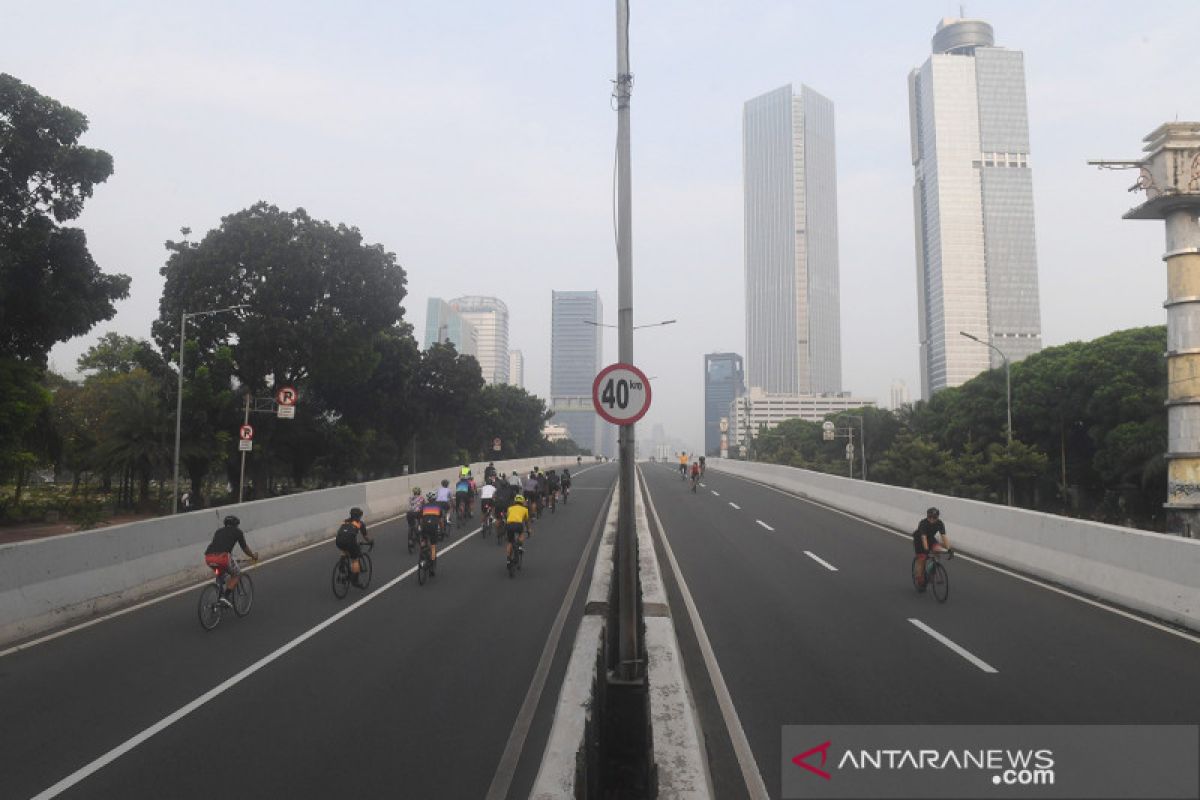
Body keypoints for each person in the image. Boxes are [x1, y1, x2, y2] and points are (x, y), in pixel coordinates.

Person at [204, 515, 259, 606]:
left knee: (220, 572)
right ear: (236, 524)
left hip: (209, 558)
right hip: (222, 558)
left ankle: (219, 592)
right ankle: (225, 597)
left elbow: (219, 544)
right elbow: (245, 548)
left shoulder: (218, 531)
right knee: (236, 574)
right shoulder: (237, 532)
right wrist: (253, 556)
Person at [913, 507, 953, 591]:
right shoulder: (923, 523)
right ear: (927, 516)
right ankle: (919, 577)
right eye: (930, 517)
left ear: (937, 517)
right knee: (922, 558)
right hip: (919, 540)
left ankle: (933, 568)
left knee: (938, 549)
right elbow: (923, 538)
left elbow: (943, 536)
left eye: (934, 518)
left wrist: (949, 549)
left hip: (930, 538)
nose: (932, 519)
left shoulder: (940, 523)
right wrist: (926, 550)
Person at [335, 506, 373, 586]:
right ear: (359, 516)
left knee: (344, 550)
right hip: (349, 542)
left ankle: (342, 564)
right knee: (355, 559)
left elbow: (345, 533)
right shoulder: (360, 524)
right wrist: (370, 542)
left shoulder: (345, 521)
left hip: (338, 540)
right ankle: (355, 581)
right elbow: (365, 537)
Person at [505, 494, 531, 570]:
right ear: (522, 502)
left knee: (510, 542)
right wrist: (529, 530)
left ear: (515, 501)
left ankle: (508, 559)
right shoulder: (525, 509)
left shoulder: (510, 508)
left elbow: (507, 517)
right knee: (522, 534)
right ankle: (518, 545)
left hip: (509, 525)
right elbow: (526, 521)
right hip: (518, 525)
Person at [418, 492, 443, 573]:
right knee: (433, 546)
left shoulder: (424, 506)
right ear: (435, 499)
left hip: (424, 526)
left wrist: (420, 528)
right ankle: (432, 564)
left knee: (423, 540)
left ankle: (422, 552)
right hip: (433, 527)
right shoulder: (438, 506)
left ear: (428, 499)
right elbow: (440, 520)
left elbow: (421, 519)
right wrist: (441, 530)